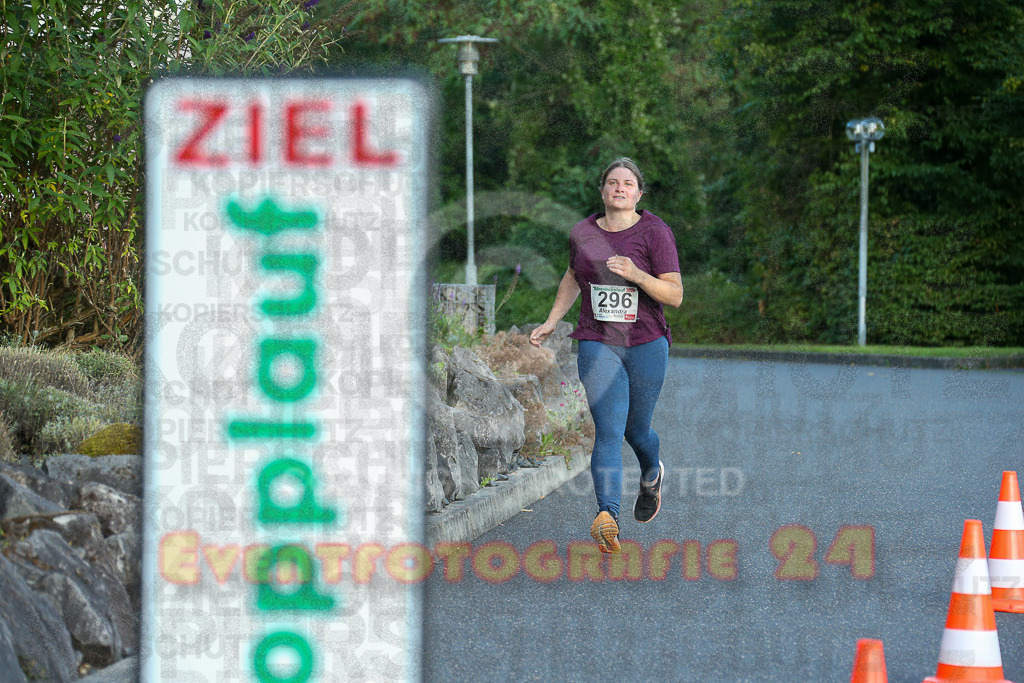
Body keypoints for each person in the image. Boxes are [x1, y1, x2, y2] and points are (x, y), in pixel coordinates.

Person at [530, 157, 682, 554]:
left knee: (637, 431)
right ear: (602, 191)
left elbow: (675, 296)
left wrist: (636, 274)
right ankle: (607, 516)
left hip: (646, 343)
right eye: (612, 182)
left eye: (628, 183)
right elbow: (572, 276)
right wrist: (551, 320)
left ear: (638, 193)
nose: (619, 188)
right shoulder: (582, 232)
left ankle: (652, 474)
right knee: (610, 430)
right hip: (597, 342)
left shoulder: (655, 232)